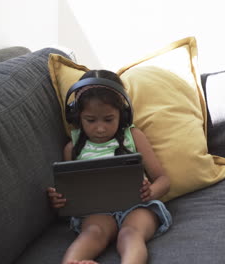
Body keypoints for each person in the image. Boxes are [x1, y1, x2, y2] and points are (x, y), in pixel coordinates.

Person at [47, 69, 172, 264]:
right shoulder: (72, 148)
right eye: (90, 120)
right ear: (77, 115)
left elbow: (163, 180)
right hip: (97, 212)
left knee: (130, 234)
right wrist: (61, 200)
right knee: (93, 233)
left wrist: (152, 191)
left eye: (108, 119)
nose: (100, 128)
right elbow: (73, 194)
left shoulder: (134, 136)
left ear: (122, 115)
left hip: (137, 206)